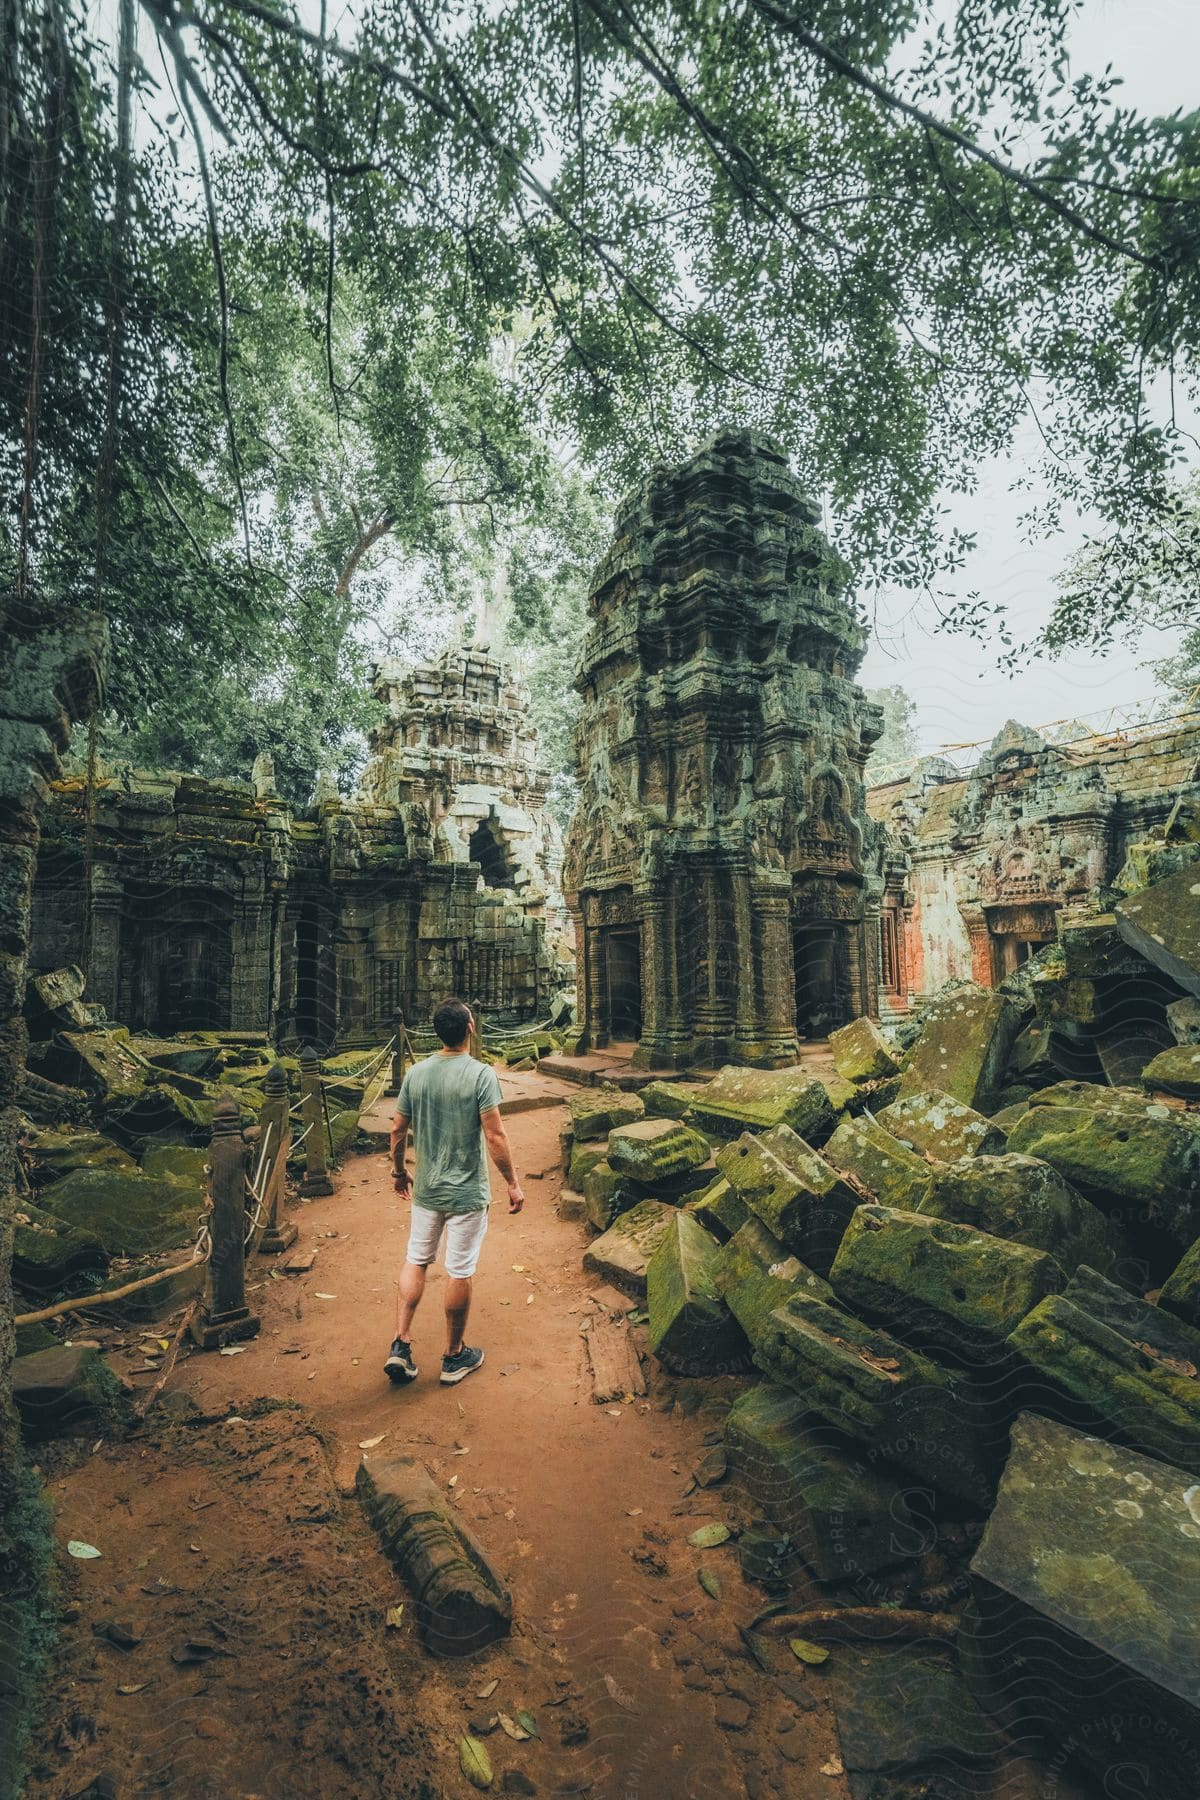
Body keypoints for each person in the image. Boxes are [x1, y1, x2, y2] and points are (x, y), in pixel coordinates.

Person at [386, 997, 525, 1386]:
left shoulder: (417, 1074)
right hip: (466, 1192)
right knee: (459, 1270)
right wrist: (512, 1183)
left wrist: (399, 1172)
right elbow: (495, 1135)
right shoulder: (480, 1075)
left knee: (416, 1259)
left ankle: (400, 1344)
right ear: (470, 1029)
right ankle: (453, 1356)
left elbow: (397, 1129)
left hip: (427, 1189)